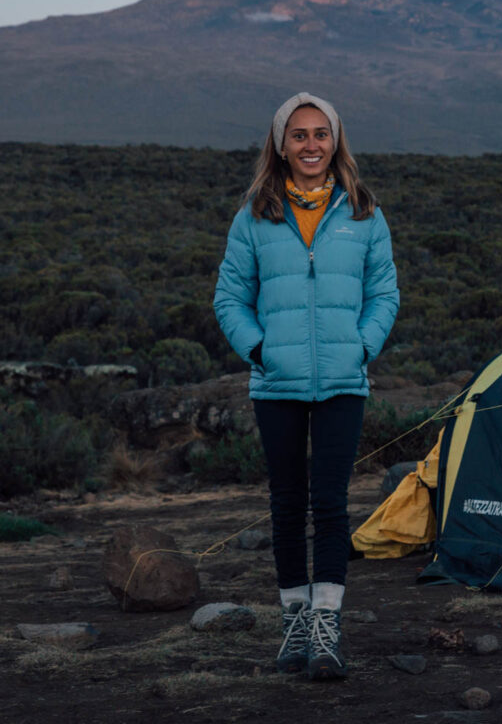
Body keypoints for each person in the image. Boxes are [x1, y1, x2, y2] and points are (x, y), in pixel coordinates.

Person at [213, 92, 399, 679]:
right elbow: (229, 298)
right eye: (299, 135)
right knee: (288, 504)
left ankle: (327, 625)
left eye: (321, 134)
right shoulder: (253, 216)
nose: (311, 145)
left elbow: (385, 293)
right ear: (280, 144)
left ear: (336, 141)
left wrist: (362, 346)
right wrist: (260, 350)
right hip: (277, 384)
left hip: (344, 380)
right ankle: (294, 622)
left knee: (332, 502)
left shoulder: (365, 212)